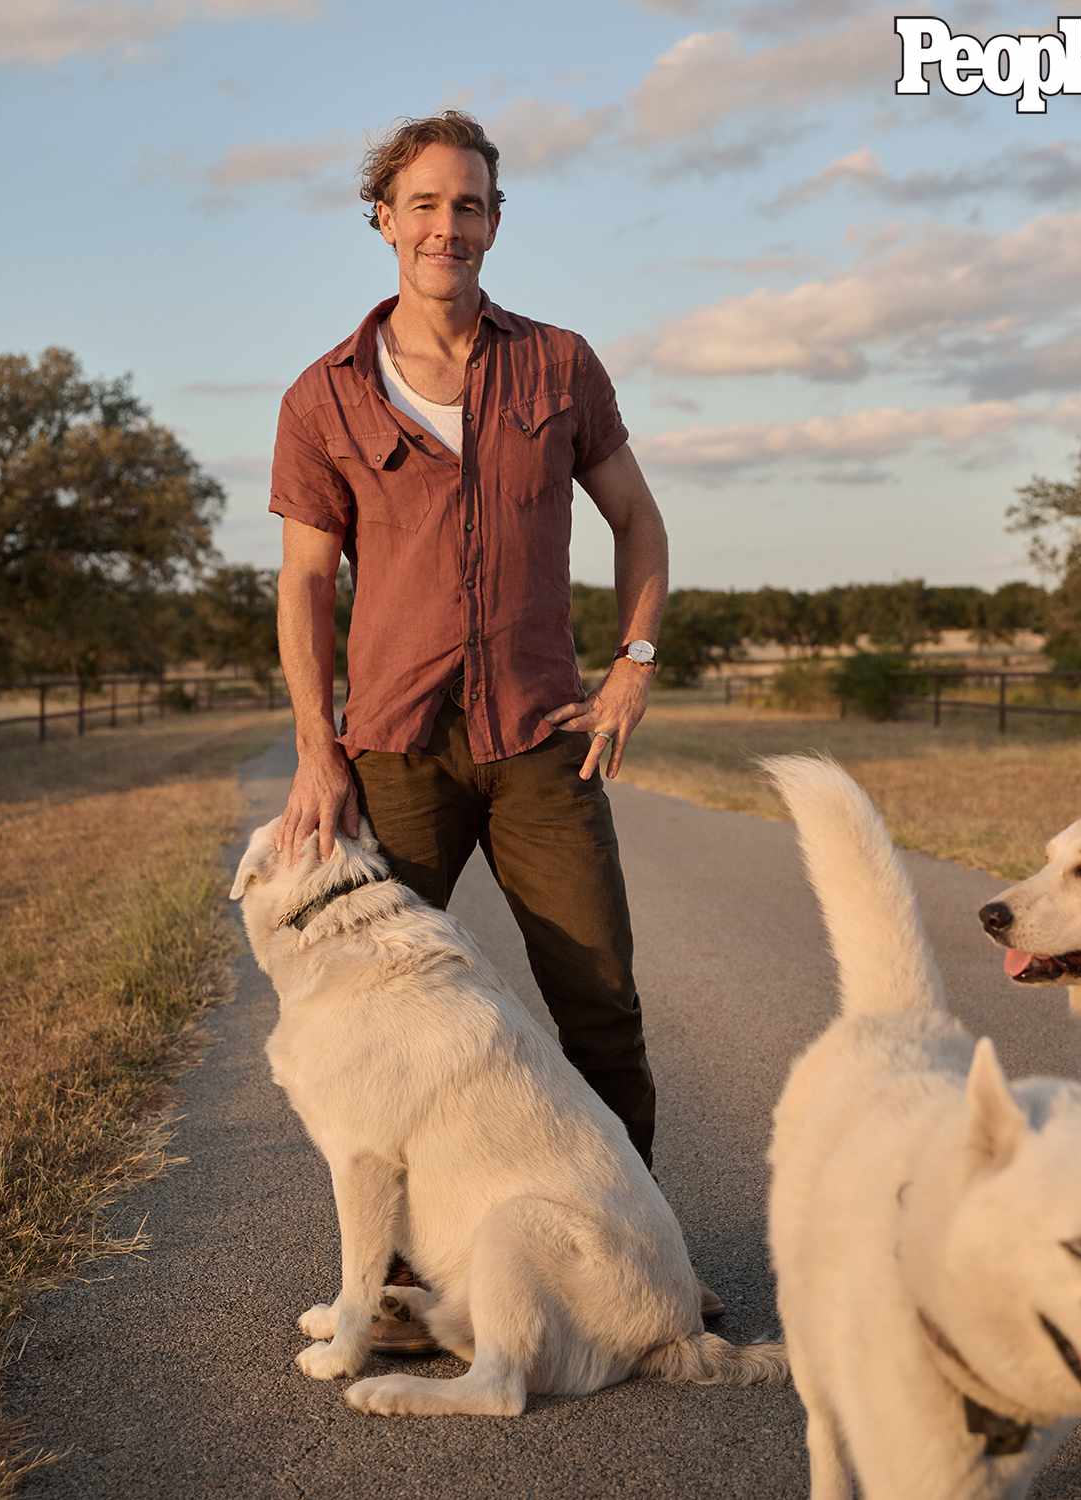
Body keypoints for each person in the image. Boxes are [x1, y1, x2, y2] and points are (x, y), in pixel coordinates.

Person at [267, 110, 721, 1343]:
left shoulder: (560, 367)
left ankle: (640, 1272)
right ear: (382, 220)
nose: (444, 226)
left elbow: (639, 521)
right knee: (386, 1027)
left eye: (467, 206)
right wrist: (320, 750)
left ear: (495, 223)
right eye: (421, 204)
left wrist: (631, 663)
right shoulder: (322, 397)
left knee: (599, 1004)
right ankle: (414, 1290)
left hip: (538, 740)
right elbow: (306, 584)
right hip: (395, 751)